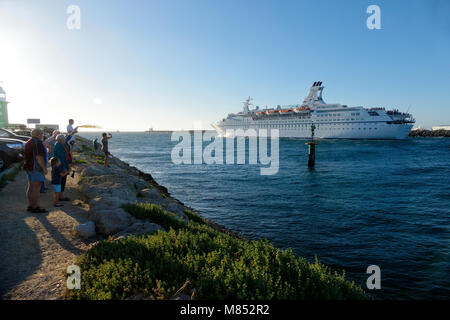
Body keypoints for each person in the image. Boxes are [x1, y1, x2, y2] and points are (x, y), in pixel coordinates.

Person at [23, 129, 48, 213]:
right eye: (42, 134)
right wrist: (44, 168)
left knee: (31, 186)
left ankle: (30, 205)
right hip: (36, 168)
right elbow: (38, 157)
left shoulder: (28, 142)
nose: (43, 135)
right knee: (36, 187)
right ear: (38, 134)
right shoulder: (38, 143)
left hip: (29, 167)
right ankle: (35, 207)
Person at [53, 134, 72, 201]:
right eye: (64, 139)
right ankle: (60, 197)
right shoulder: (59, 147)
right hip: (61, 167)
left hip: (60, 166)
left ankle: (60, 196)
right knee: (62, 182)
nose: (65, 140)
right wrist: (65, 168)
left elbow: (66, 140)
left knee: (61, 182)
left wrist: (71, 134)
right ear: (61, 140)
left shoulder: (59, 144)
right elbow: (61, 159)